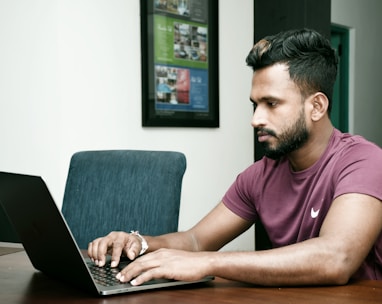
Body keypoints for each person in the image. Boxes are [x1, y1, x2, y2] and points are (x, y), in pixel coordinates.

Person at [88, 29, 382, 286]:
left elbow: (336, 258)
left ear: (316, 106)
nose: (256, 119)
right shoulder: (259, 176)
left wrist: (209, 263)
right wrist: (138, 243)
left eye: (271, 103)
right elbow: (195, 241)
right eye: (255, 104)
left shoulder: (364, 161)